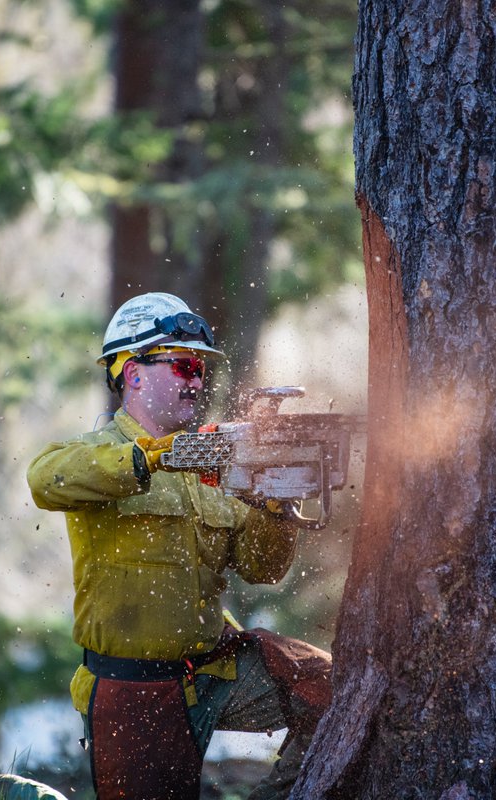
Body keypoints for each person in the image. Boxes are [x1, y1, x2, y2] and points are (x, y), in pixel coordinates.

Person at [27, 292, 331, 799]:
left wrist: (275, 497)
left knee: (341, 695)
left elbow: (263, 568)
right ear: (133, 372)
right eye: (184, 365)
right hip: (135, 691)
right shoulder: (96, 454)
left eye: (200, 369)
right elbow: (43, 480)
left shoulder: (214, 465)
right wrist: (155, 457)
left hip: (217, 670)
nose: (196, 379)